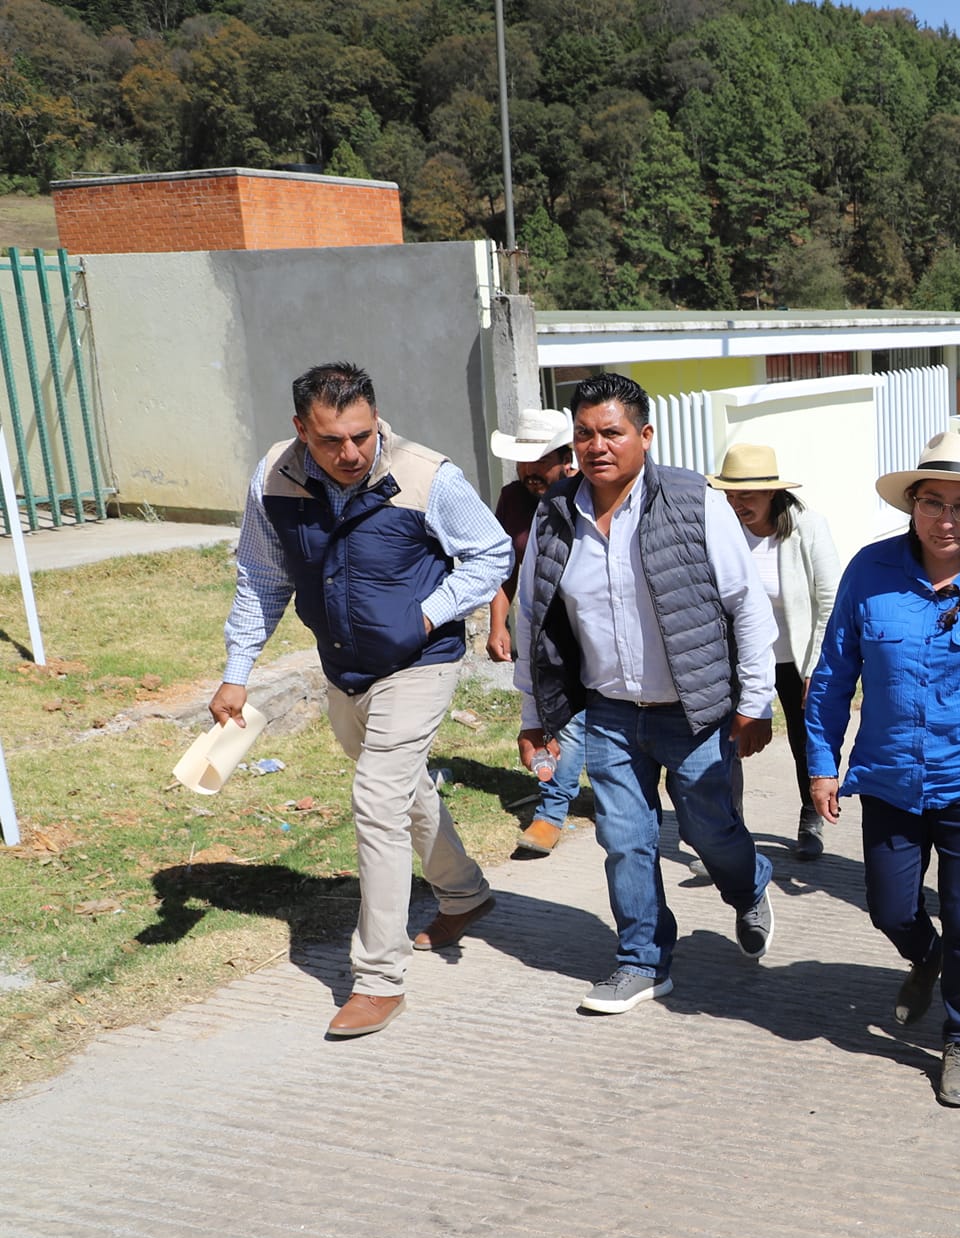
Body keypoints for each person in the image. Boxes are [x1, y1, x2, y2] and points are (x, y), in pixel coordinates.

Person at [210, 362, 510, 1038]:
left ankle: (378, 979)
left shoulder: (428, 475)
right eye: (331, 441)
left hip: (418, 664)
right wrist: (237, 670)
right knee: (400, 789)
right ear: (300, 431)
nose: (351, 453)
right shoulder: (274, 477)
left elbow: (491, 555)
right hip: (344, 668)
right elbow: (264, 575)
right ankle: (463, 891)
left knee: (376, 796)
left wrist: (431, 614)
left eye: (362, 435)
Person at [805, 432, 960, 1107]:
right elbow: (832, 676)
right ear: (913, 504)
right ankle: (925, 954)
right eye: (934, 502)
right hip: (888, 776)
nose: (948, 520)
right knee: (889, 906)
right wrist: (822, 764)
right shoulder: (870, 571)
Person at [515, 372, 778, 1015]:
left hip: (692, 709)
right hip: (606, 712)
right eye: (583, 434)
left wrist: (755, 700)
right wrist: (533, 714)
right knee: (625, 839)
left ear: (644, 435)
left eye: (611, 431)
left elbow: (746, 604)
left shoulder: (694, 500)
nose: (596, 446)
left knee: (709, 832)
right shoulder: (554, 514)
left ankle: (748, 887)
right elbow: (530, 617)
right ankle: (642, 960)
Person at [708, 441, 841, 861]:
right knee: (729, 742)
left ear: (772, 492)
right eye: (729, 494)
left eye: (746, 494)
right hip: (741, 658)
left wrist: (816, 667)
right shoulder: (720, 528)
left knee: (805, 740)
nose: (736, 503)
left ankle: (811, 817)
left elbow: (830, 600)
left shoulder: (808, 527)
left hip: (796, 658)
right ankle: (732, 834)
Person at [485, 408, 583, 856]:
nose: (528, 472)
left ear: (567, 457)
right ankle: (550, 813)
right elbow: (505, 568)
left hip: (597, 628)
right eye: (522, 463)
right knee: (552, 719)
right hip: (543, 630)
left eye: (539, 461)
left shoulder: (591, 492)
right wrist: (497, 622)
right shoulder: (513, 499)